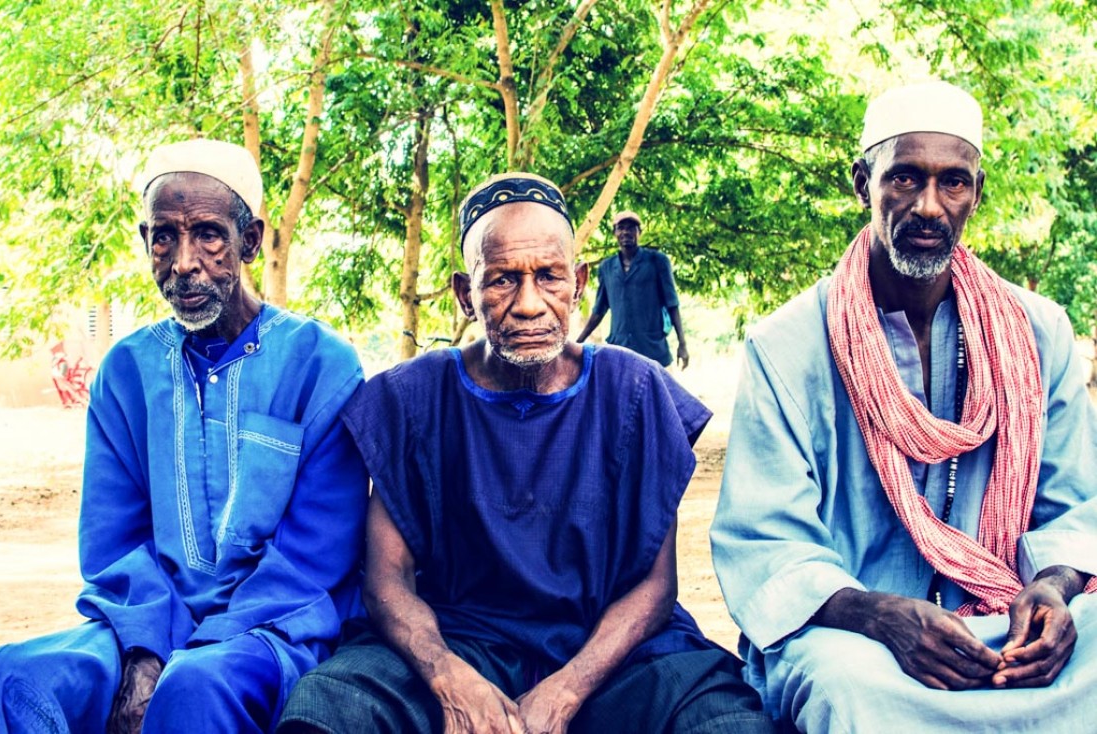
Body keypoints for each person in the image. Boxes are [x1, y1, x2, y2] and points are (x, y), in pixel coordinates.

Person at [277, 173, 772, 734]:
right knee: (328, 708)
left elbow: (655, 588)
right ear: (466, 294)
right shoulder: (412, 397)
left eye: (549, 276)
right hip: (460, 643)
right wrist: (448, 677)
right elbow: (388, 580)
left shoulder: (634, 391)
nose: (530, 304)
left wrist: (565, 691)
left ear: (579, 282)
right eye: (503, 281)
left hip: (611, 657)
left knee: (725, 720)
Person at [710, 80, 1097, 733]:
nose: (928, 206)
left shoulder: (1038, 331)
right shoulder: (788, 345)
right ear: (862, 183)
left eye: (953, 183)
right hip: (856, 634)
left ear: (977, 192)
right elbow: (767, 540)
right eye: (904, 179)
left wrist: (1052, 591)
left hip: (1001, 620)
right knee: (845, 686)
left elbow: (1072, 504)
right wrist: (883, 617)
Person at [0, 139, 368, 733]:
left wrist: (187, 655)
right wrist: (146, 652)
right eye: (164, 236)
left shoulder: (321, 364)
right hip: (142, 622)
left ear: (249, 241)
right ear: (146, 244)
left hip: (270, 629)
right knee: (17, 676)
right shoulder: (126, 372)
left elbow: (311, 562)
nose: (184, 261)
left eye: (208, 235)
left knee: (194, 686)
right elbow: (114, 544)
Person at [576, 211, 689, 369]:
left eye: (631, 228)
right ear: (615, 233)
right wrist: (577, 343)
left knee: (655, 393)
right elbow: (599, 310)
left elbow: (672, 304)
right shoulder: (606, 267)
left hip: (652, 351)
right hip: (620, 351)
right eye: (621, 228)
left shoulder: (657, 261)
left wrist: (682, 344)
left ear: (639, 232)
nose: (626, 232)